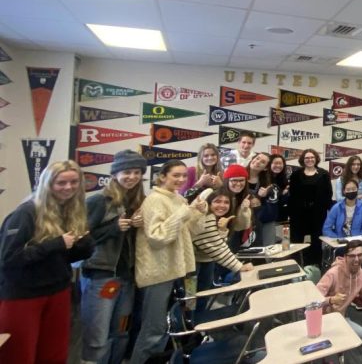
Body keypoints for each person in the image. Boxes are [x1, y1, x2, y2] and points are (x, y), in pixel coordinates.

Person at [0, 160, 93, 363]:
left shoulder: (70, 211)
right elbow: (8, 259)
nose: (68, 188)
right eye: (61, 183)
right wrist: (56, 244)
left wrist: (83, 247)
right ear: (48, 184)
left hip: (58, 292)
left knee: (55, 355)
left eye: (73, 182)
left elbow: (61, 258)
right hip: (23, 296)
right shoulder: (26, 213)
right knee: (18, 355)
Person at [132, 160, 207, 364]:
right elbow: (157, 237)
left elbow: (190, 232)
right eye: (176, 175)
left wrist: (199, 213)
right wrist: (183, 213)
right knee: (153, 330)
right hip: (158, 273)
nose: (181, 179)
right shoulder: (155, 200)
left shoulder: (178, 198)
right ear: (163, 176)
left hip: (178, 271)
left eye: (184, 175)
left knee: (166, 327)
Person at [81, 150, 147, 364]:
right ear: (115, 174)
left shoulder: (139, 201)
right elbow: (81, 240)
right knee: (98, 339)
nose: (132, 177)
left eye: (137, 172)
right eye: (127, 172)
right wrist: (114, 228)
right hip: (101, 277)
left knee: (121, 333)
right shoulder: (99, 200)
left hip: (127, 278)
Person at [191, 188, 253, 311]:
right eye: (217, 201)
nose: (222, 205)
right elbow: (216, 248)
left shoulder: (215, 218)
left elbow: (217, 243)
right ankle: (187, 326)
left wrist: (222, 230)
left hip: (206, 261)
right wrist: (239, 266)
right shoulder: (206, 217)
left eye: (226, 202)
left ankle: (197, 324)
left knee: (202, 296)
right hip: (191, 266)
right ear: (208, 202)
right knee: (189, 300)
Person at [316, 240, 362, 341]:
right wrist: (331, 300)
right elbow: (313, 300)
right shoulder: (333, 273)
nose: (356, 259)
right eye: (352, 256)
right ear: (346, 257)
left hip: (340, 317)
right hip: (321, 319)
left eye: (360, 255)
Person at [288, 149, 333, 265]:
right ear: (303, 160)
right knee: (296, 241)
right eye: (307, 158)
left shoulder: (323, 174)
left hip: (317, 214)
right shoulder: (296, 175)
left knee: (317, 241)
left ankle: (315, 266)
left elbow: (328, 194)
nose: (309, 160)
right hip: (299, 214)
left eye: (312, 157)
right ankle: (296, 264)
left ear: (316, 159)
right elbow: (292, 195)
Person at [247, 153, 278, 246]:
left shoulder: (265, 182)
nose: (257, 162)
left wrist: (263, 196)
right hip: (241, 218)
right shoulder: (240, 174)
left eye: (262, 162)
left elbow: (267, 205)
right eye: (257, 158)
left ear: (265, 168)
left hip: (257, 219)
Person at [221, 164, 253, 251]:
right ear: (227, 181)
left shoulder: (244, 197)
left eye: (241, 180)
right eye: (234, 180)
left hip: (232, 238)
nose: (238, 184)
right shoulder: (217, 195)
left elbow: (240, 227)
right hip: (215, 240)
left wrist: (243, 210)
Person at [267, 154, 290, 222]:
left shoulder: (284, 179)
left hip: (281, 216)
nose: (278, 165)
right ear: (269, 164)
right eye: (275, 163)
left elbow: (283, 201)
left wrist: (285, 194)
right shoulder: (264, 178)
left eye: (280, 163)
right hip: (267, 215)